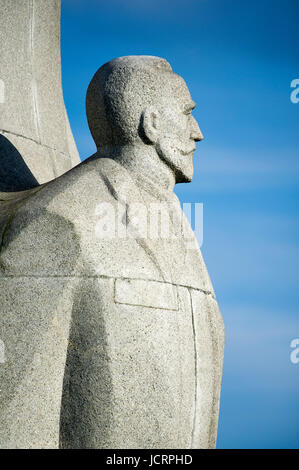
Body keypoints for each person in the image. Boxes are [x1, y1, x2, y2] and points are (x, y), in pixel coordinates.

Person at [0, 56, 224, 449]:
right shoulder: (60, 219)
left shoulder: (180, 224)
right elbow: (16, 406)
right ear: (150, 124)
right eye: (188, 115)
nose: (198, 133)